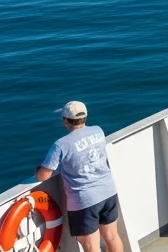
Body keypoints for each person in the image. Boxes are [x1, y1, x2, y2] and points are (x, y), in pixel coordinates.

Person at [36, 101, 124, 252]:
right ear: (85, 117)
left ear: (65, 120)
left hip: (84, 200)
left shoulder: (61, 144)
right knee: (112, 236)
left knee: (91, 247)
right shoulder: (98, 131)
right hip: (108, 191)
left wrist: (38, 169)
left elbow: (43, 176)